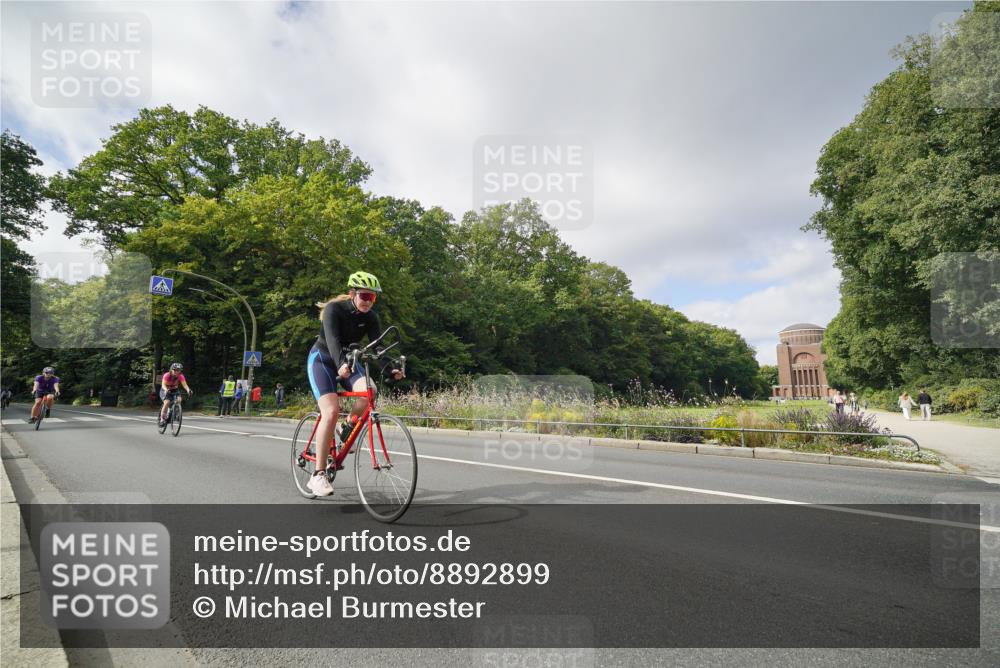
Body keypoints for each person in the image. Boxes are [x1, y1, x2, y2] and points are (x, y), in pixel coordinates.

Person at [305, 271, 404, 496]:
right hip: (322, 359)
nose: (369, 302)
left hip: (349, 361)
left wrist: (391, 369)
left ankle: (346, 426)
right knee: (330, 412)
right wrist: (340, 363)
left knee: (370, 390)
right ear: (352, 293)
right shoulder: (334, 309)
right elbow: (331, 340)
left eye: (373, 298)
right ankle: (318, 475)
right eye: (365, 296)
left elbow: (379, 348)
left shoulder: (371, 318)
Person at [159, 363, 192, 427]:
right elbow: (163, 384)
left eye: (178, 370)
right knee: (167, 402)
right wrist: (166, 390)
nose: (176, 372)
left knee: (179, 400)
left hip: (174, 389)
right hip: (165, 389)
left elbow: (185, 385)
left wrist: (188, 390)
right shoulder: (167, 375)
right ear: (171, 369)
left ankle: (176, 413)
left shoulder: (181, 376)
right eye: (175, 370)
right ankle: (162, 419)